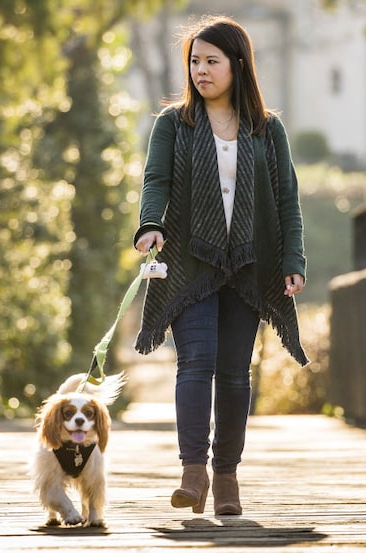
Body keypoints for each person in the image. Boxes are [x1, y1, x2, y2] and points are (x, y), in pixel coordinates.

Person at [133, 14, 308, 517]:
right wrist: (150, 225)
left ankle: (226, 476)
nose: (200, 71)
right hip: (190, 261)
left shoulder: (266, 129)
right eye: (194, 61)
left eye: (211, 61)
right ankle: (193, 472)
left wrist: (292, 259)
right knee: (195, 364)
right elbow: (156, 180)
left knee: (234, 374)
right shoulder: (174, 123)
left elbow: (287, 199)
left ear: (238, 64)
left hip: (250, 265)